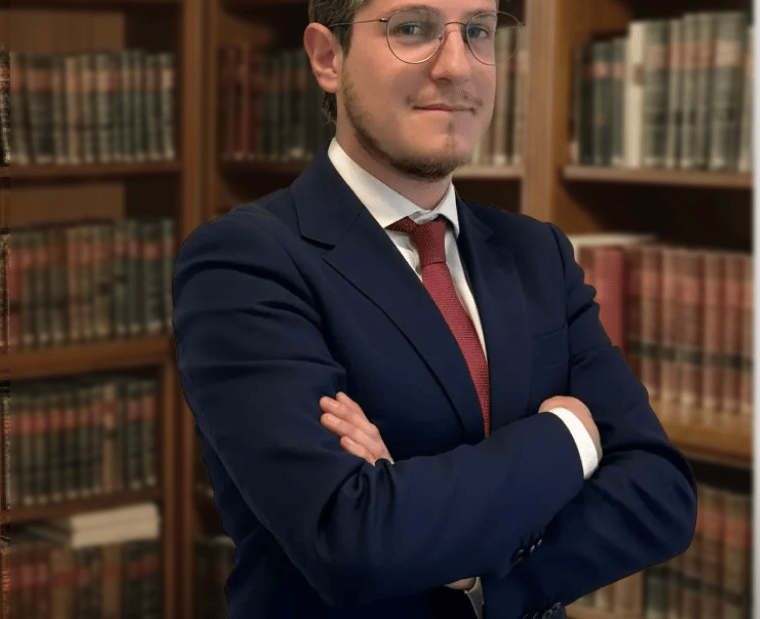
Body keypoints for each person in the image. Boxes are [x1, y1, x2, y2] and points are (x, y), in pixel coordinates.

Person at [172, 0, 698, 617]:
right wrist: (570, 439)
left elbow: (660, 494)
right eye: (413, 29)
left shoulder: (537, 253)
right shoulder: (244, 262)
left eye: (477, 31)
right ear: (326, 57)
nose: (456, 67)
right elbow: (354, 540)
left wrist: (477, 577)